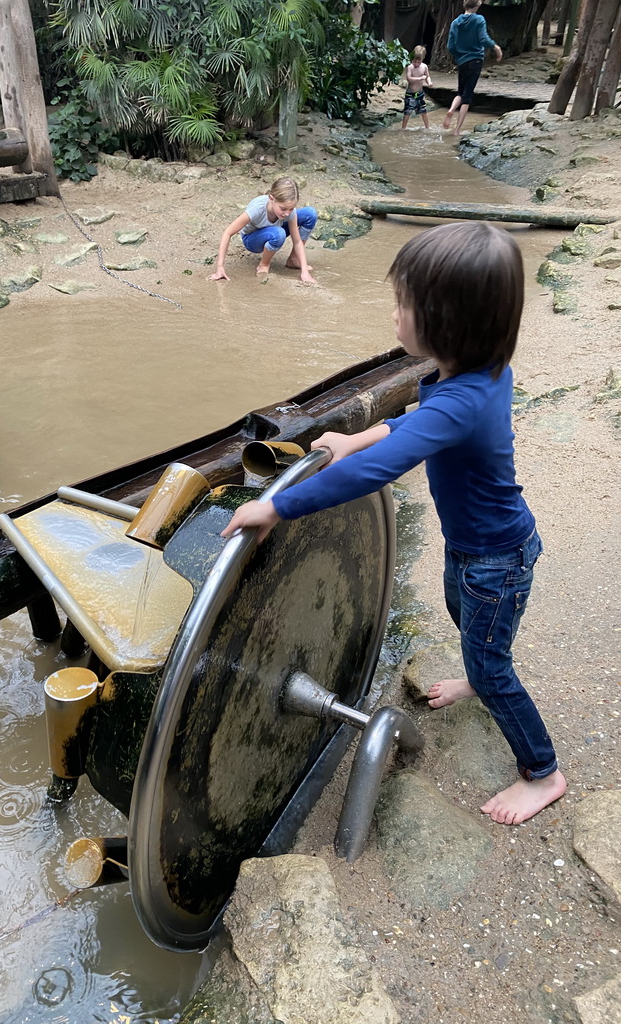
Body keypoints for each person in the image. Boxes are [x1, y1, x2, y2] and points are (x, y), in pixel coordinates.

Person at [222, 221, 567, 827]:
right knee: (468, 623)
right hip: (479, 548)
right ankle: (479, 675)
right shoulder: (474, 375)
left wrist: (278, 506)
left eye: (402, 304)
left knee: (492, 661)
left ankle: (543, 772)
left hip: (496, 558)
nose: (393, 313)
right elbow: (416, 424)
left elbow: (378, 471)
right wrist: (357, 437)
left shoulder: (465, 396)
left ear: (446, 323)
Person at [208, 177, 317, 284]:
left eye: (291, 209)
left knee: (310, 214)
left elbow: (297, 241)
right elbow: (228, 232)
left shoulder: (288, 212)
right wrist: (220, 267)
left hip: (275, 231)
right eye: (283, 208)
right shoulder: (257, 209)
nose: (287, 213)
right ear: (271, 198)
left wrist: (305, 271)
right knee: (279, 233)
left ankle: (294, 260)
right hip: (252, 239)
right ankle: (264, 264)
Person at [443, 0, 502, 135]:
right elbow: (483, 39)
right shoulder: (479, 19)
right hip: (475, 60)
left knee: (460, 92)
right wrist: (496, 47)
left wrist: (460, 55)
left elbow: (450, 46)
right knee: (467, 95)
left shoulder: (455, 22)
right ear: (477, 5)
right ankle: (457, 130)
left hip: (462, 61)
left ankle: (451, 109)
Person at [402, 46, 433, 130]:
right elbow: (409, 78)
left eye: (418, 62)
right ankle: (403, 128)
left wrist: (429, 82)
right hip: (410, 93)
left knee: (423, 110)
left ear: (422, 59)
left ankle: (427, 127)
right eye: (414, 61)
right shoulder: (410, 67)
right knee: (408, 111)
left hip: (420, 93)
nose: (416, 63)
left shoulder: (424, 67)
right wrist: (419, 78)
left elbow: (427, 76)